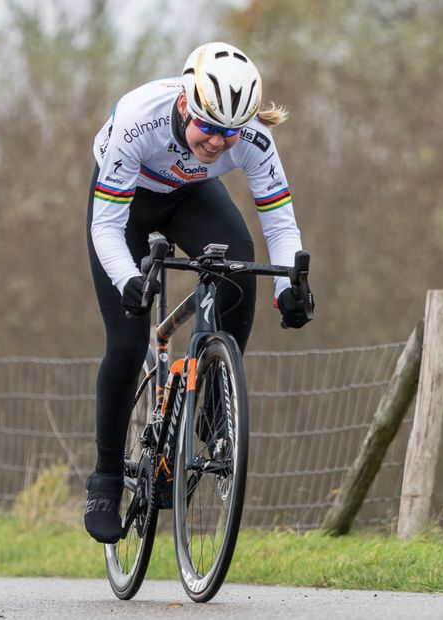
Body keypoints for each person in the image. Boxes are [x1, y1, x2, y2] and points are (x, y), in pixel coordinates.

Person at [84, 42, 312, 543]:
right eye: (208, 128)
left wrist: (287, 287)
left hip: (190, 199)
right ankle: (104, 480)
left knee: (239, 267)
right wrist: (130, 279)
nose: (217, 142)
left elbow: (280, 225)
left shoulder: (251, 136)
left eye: (229, 134)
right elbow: (107, 226)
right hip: (126, 209)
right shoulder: (137, 119)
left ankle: (212, 408)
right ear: (186, 105)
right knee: (125, 342)